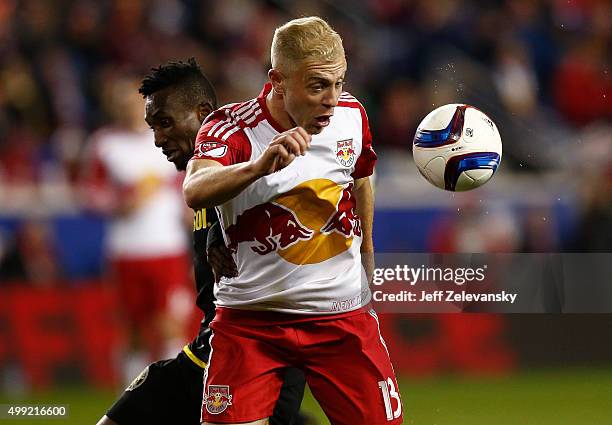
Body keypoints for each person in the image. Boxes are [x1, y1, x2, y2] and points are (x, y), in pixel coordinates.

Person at [184, 17, 403, 425]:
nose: (332, 99)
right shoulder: (231, 128)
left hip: (340, 316)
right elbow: (195, 189)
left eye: (338, 83)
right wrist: (257, 167)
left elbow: (361, 174)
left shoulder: (351, 115)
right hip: (251, 322)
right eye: (318, 85)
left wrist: (368, 248)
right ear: (278, 81)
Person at [96, 59, 308, 425]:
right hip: (208, 349)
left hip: (257, 356)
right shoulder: (200, 178)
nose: (158, 139)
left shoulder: (252, 162)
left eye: (165, 123)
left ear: (204, 113)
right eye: (152, 127)